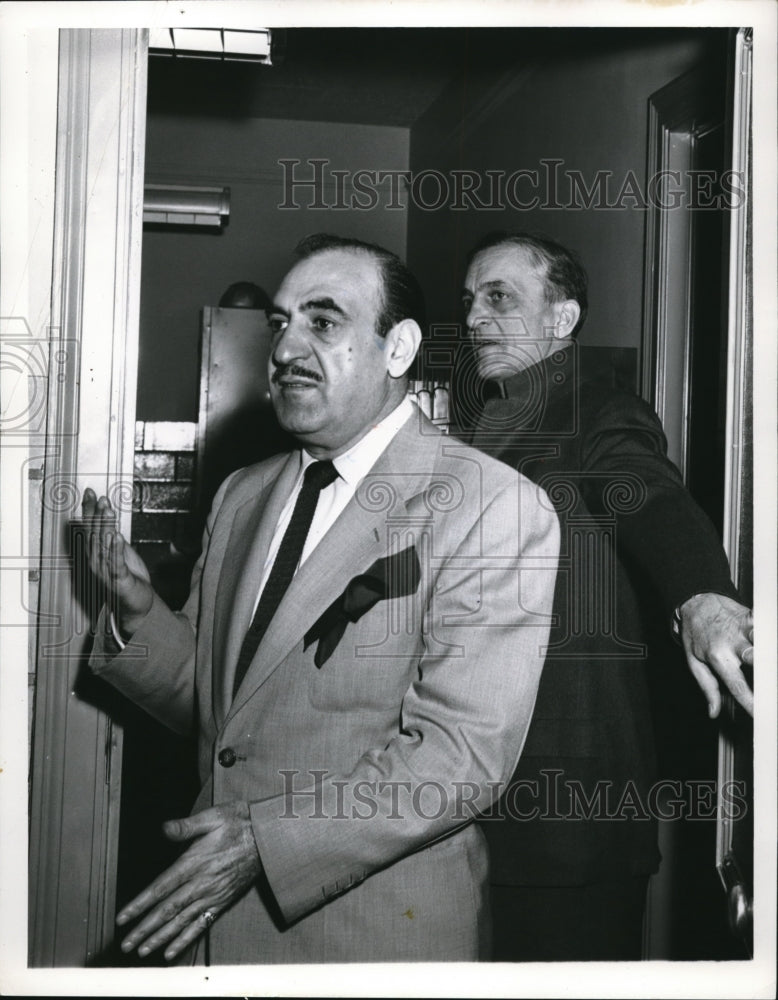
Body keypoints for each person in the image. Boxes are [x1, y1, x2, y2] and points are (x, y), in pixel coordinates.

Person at [81, 234, 560, 964]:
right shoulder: (243, 496)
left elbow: (461, 759)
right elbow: (216, 712)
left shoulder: (491, 505)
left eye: (323, 321)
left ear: (397, 349)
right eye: (280, 323)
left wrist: (268, 843)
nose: (284, 349)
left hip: (370, 940)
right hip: (215, 931)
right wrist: (140, 616)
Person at [460, 230, 754, 962]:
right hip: (478, 790)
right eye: (470, 301)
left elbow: (645, 491)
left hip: (568, 808)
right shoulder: (491, 425)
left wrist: (701, 595)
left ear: (562, 319)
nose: (472, 318)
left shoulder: (597, 405)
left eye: (499, 298)